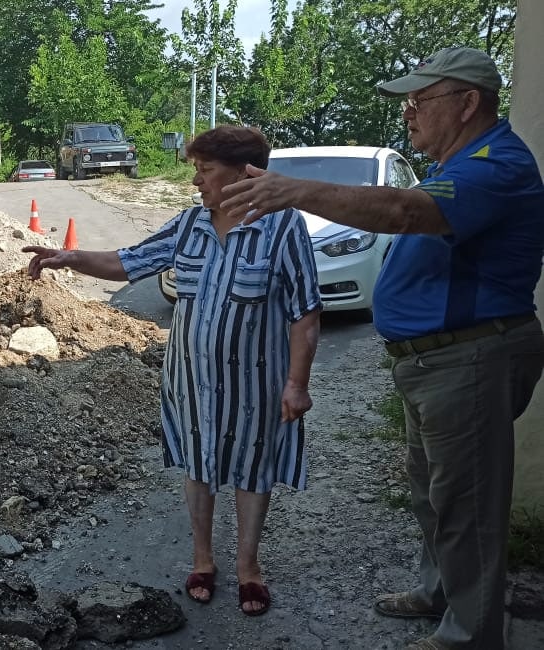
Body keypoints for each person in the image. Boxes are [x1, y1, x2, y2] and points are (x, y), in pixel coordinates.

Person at [220, 46, 544, 650]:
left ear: (468, 102)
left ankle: (470, 637)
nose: (409, 113)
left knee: (466, 504)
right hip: (439, 361)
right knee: (435, 493)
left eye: (422, 100)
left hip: (470, 358)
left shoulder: (495, 165)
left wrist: (293, 191)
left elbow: (400, 210)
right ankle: (438, 594)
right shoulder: (459, 163)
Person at [23, 125, 323, 616]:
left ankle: (249, 567)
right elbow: (130, 261)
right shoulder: (189, 225)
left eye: (204, 170)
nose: (196, 181)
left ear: (245, 173)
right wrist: (70, 257)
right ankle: (203, 559)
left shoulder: (282, 227)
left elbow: (304, 311)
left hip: (257, 383)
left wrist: (296, 383)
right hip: (192, 381)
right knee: (199, 466)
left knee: (252, 469)